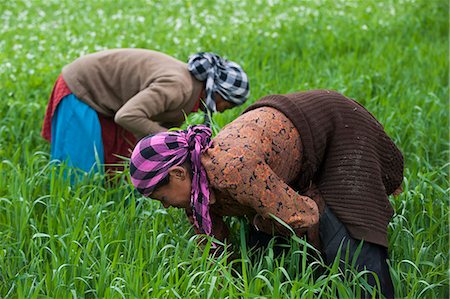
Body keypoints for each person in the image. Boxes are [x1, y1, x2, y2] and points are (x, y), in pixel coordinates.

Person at [129, 90, 404, 298]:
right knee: (262, 247)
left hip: (334, 124)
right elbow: (217, 254)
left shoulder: (233, 170)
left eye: (162, 198)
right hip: (283, 150)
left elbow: (302, 214)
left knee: (351, 228)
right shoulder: (195, 196)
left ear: (178, 173)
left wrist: (322, 267)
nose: (165, 207)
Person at [41, 49, 250, 176]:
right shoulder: (179, 88)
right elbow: (127, 116)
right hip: (81, 88)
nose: (223, 111)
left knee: (112, 170)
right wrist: (170, 139)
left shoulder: (191, 92)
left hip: (108, 98)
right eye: (228, 106)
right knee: (78, 174)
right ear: (219, 94)